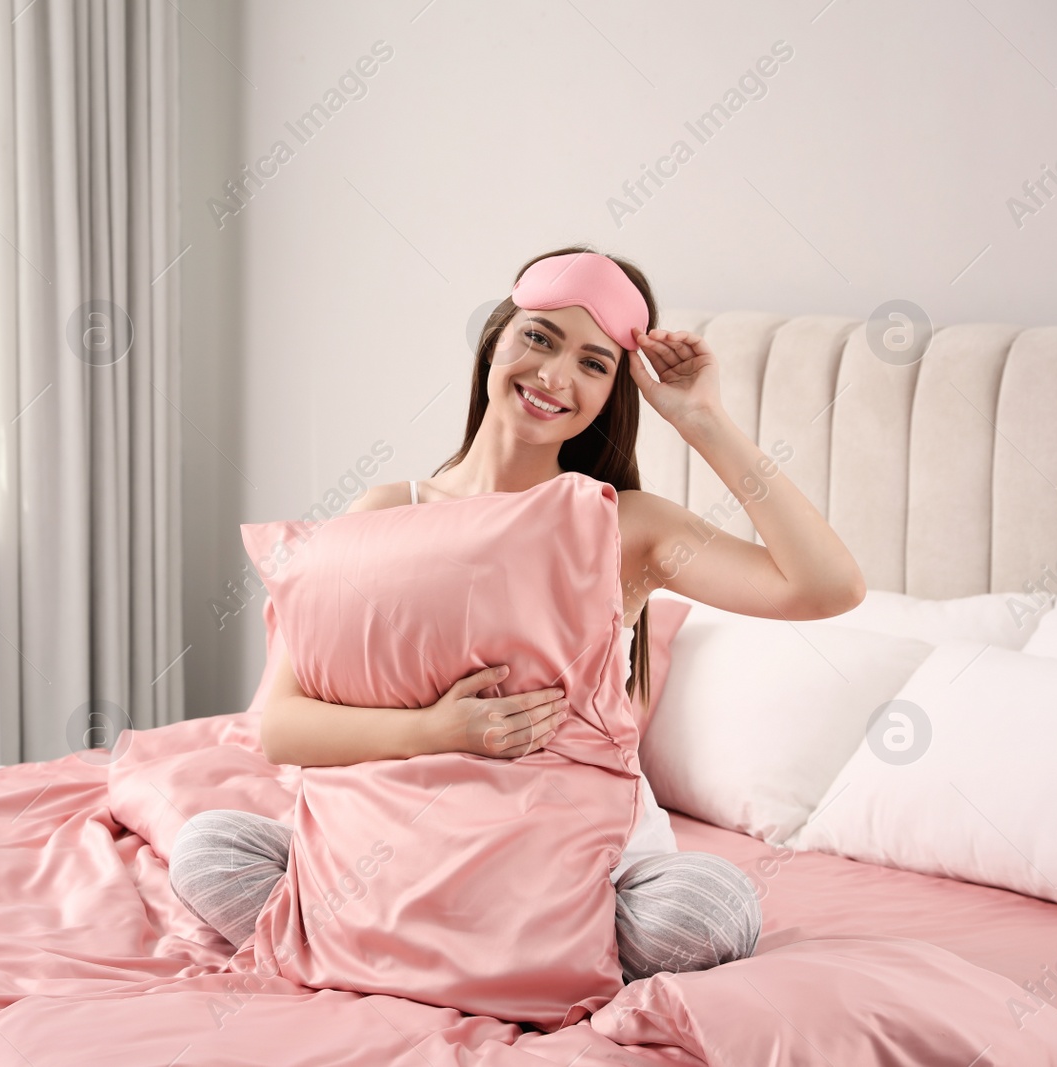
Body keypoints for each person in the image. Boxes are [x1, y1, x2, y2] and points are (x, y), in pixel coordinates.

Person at [171, 246, 866, 985]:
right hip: (396, 835)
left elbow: (826, 587)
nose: (556, 376)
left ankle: (403, 942)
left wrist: (704, 420)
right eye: (539, 338)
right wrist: (438, 731)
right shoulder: (386, 512)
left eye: (595, 364)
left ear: (611, 394)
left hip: (570, 859)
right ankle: (464, 948)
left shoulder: (625, 526)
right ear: (496, 340)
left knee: (708, 914)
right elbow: (278, 726)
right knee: (207, 849)